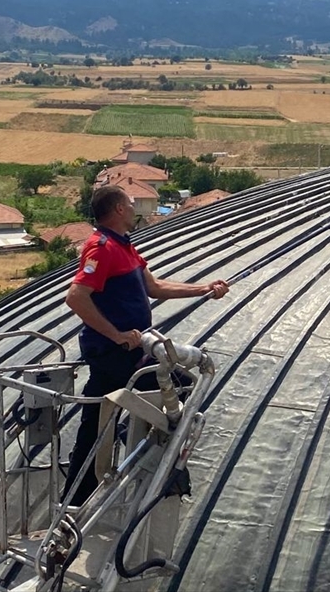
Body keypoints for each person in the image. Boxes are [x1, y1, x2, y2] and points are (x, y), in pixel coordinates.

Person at [63, 183, 228, 505]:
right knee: (179, 385)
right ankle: (140, 454)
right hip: (115, 351)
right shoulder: (101, 247)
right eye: (130, 201)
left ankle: (76, 497)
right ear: (119, 209)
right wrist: (116, 334)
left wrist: (203, 289)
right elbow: (76, 297)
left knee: (96, 422)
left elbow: (154, 287)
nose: (135, 204)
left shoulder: (123, 247)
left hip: (126, 350)